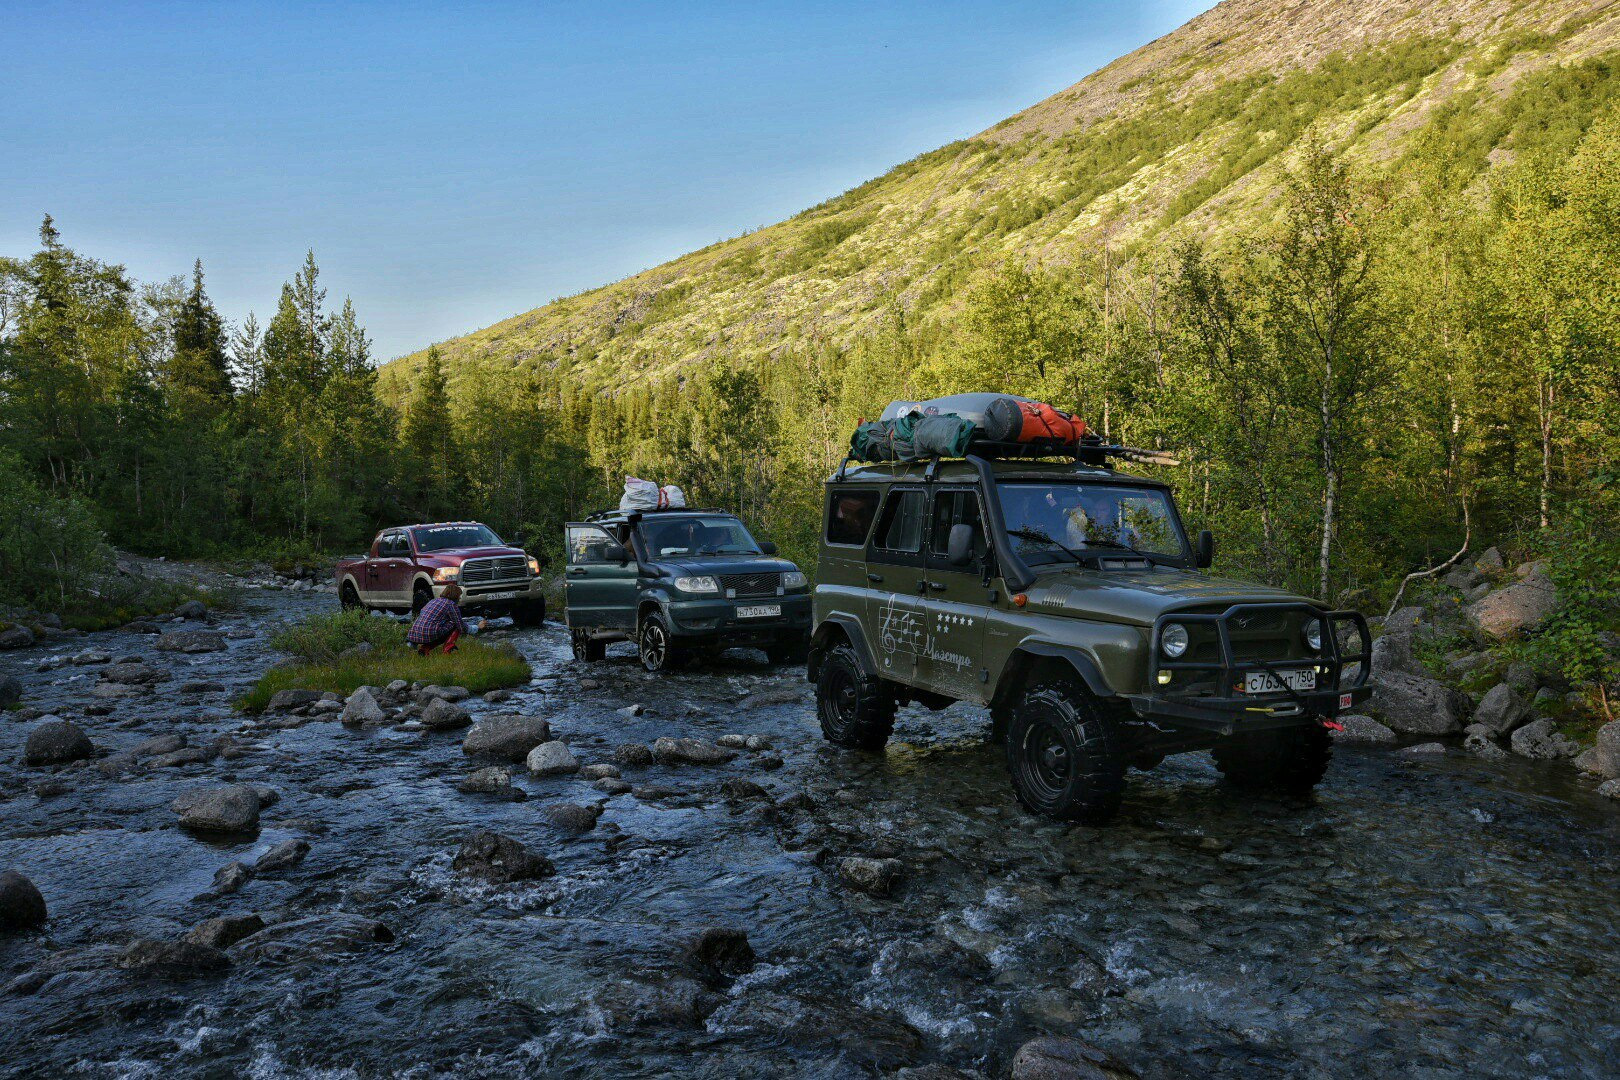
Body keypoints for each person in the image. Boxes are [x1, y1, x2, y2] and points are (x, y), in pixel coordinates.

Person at [409, 583, 467, 656]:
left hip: (414, 634)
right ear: (455, 596)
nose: (460, 598)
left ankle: (424, 648)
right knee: (455, 625)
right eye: (459, 596)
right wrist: (475, 628)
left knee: (437, 629)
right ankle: (448, 649)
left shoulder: (433, 601)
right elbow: (460, 625)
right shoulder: (451, 604)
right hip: (429, 633)